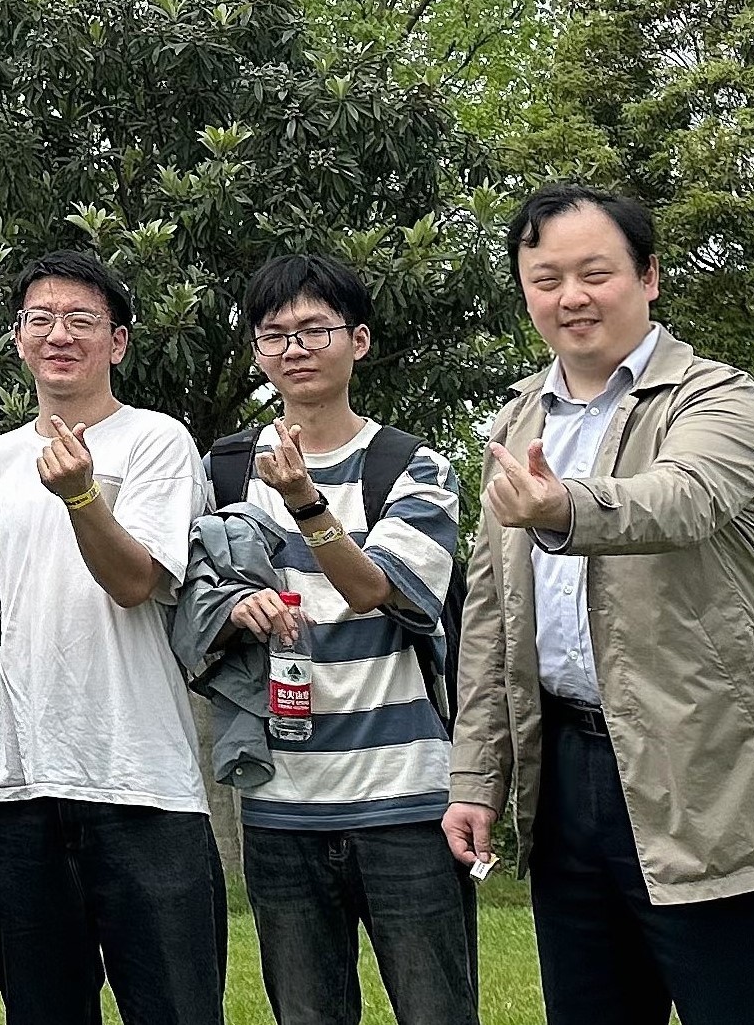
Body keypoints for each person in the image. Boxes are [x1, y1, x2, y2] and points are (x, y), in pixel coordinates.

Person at [444, 186, 754, 1024]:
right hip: (565, 776)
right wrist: (476, 775)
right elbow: (491, 614)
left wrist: (562, 508)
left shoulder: (716, 396)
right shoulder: (516, 421)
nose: (571, 297)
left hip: (714, 777)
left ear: (649, 276)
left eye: (596, 273)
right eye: (546, 279)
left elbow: (682, 498)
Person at [175, 256, 472, 1025]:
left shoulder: (412, 467)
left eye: (315, 329)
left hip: (404, 799)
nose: (295, 348)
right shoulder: (223, 470)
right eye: (274, 334)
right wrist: (235, 606)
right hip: (279, 802)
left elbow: (381, 589)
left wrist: (307, 504)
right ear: (257, 352)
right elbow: (191, 598)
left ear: (359, 341)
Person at [0, 249, 226, 1025]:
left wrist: (81, 496)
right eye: (40, 319)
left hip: (142, 784)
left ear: (118, 341)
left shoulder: (156, 441)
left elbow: (136, 579)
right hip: (16, 788)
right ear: (18, 338)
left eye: (81, 319)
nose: (59, 335)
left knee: (178, 1011)